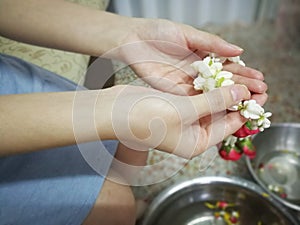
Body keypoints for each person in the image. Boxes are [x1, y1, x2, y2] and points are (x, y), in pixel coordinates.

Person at [0, 0, 268, 224]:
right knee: (115, 208)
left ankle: (125, 191)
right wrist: (117, 113)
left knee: (120, 148)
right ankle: (127, 202)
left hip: (12, 88)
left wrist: (130, 35)